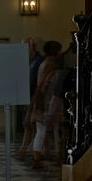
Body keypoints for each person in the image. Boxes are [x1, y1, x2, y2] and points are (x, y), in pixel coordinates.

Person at [30, 41, 62, 169]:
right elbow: (43, 84)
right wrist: (37, 98)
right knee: (52, 130)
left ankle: (37, 156)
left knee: (42, 130)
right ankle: (57, 156)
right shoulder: (50, 65)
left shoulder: (43, 63)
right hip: (47, 100)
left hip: (43, 99)